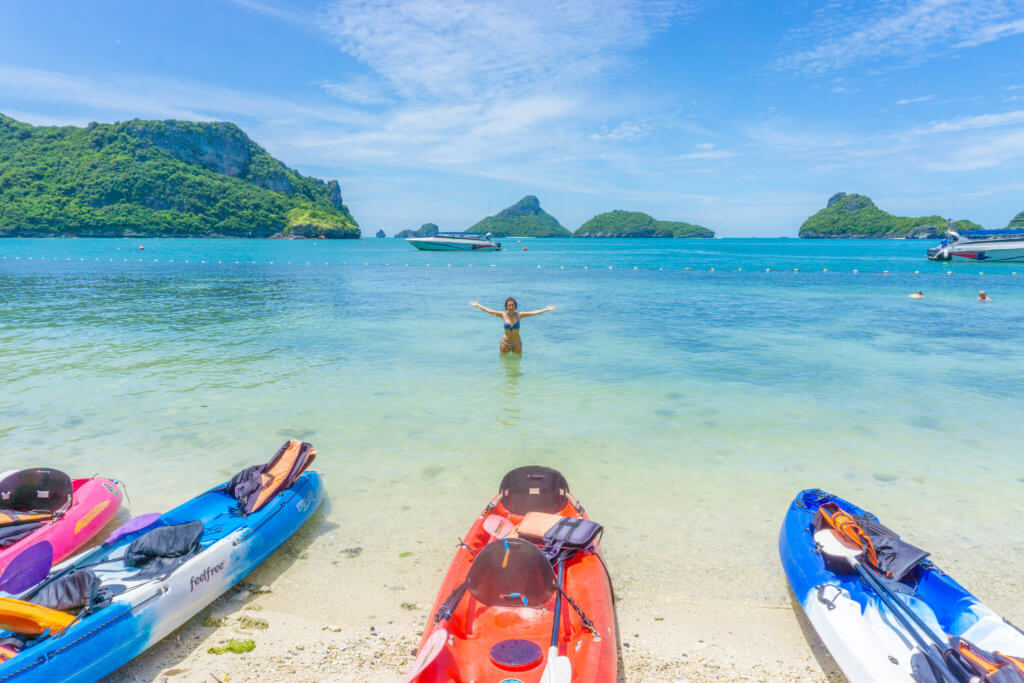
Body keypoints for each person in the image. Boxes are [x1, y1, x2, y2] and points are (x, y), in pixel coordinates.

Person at [469, 297, 556, 354]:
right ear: (506, 307)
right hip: (505, 343)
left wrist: (546, 309)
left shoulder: (519, 315)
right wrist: (478, 306)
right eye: (509, 305)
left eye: (512, 305)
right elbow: (489, 310)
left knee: (517, 364)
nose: (510, 307)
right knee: (504, 364)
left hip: (517, 343)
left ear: (515, 306)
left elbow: (533, 313)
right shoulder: (503, 315)